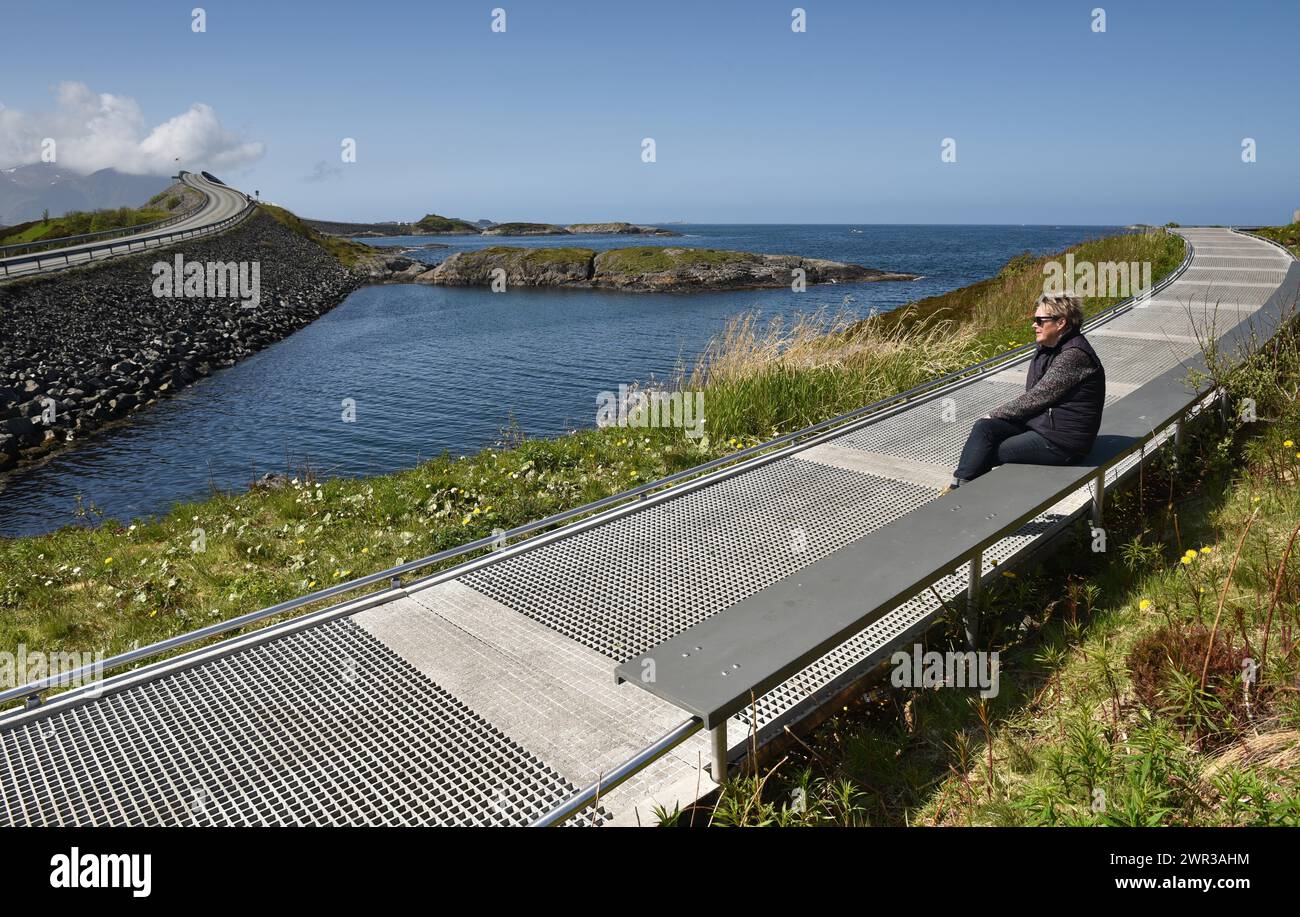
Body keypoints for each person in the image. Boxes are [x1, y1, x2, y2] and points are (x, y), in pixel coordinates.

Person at [944, 293, 1105, 491]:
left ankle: (959, 496)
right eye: (1034, 320)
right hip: (1043, 425)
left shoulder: (1073, 356)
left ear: (1061, 322)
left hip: (1063, 443)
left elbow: (1037, 397)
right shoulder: (1049, 348)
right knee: (984, 428)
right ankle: (960, 490)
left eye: (1039, 321)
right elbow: (1036, 397)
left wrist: (995, 413)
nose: (1033, 325)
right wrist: (992, 419)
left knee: (991, 450)